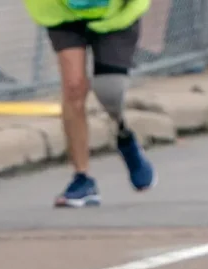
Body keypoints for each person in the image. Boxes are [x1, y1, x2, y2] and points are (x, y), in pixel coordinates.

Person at [20, 0, 156, 207]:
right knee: (73, 88)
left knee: (109, 91)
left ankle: (124, 136)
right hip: (63, 11)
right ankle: (82, 178)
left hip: (115, 12)